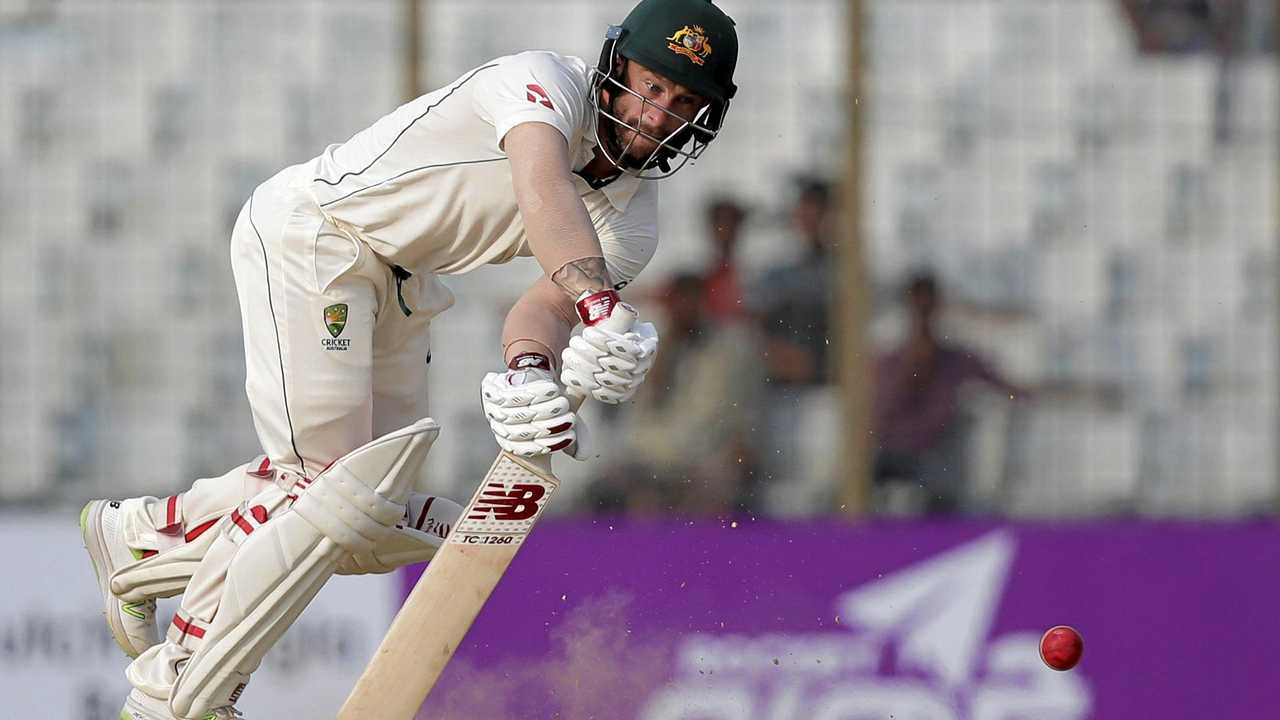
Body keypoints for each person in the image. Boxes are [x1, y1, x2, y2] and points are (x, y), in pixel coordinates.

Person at [80, 1, 740, 717]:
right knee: (325, 489)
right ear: (616, 70)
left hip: (403, 284)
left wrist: (531, 372)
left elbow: (541, 309)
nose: (657, 113)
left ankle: (144, 537)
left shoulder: (633, 219)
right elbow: (542, 188)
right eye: (651, 85)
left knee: (367, 517)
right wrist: (599, 306)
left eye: (682, 102)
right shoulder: (540, 84)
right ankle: (176, 684)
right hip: (318, 238)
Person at [588, 272, 763, 514]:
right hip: (650, 450)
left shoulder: (730, 347)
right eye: (678, 302)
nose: (684, 310)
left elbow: (743, 406)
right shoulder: (649, 346)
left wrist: (740, 440)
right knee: (607, 486)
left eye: (691, 302)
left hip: (707, 450)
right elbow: (629, 408)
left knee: (711, 486)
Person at [872, 271, 1022, 514]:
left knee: (942, 480)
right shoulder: (888, 358)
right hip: (889, 452)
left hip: (936, 457)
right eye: (917, 306)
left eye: (927, 306)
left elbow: (1004, 386)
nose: (923, 314)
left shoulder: (956, 358)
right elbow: (879, 412)